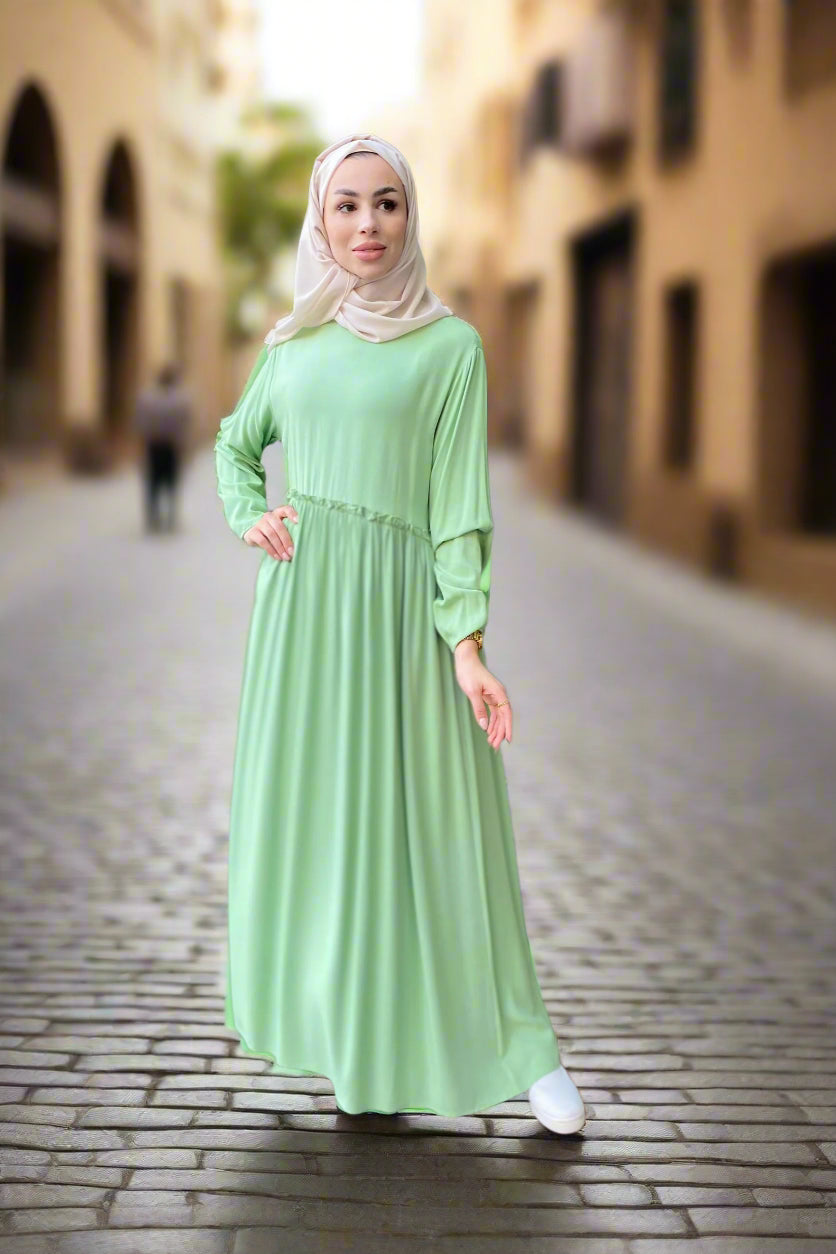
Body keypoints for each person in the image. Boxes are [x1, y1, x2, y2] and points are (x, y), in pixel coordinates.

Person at [213, 132, 586, 1133]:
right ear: (318, 217)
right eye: (345, 205)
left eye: (385, 203)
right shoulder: (291, 343)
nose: (366, 225)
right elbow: (234, 443)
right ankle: (351, 1037)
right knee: (327, 830)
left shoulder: (450, 347)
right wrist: (247, 509)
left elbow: (459, 505)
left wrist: (465, 644)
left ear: (408, 214)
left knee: (441, 830)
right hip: (302, 621)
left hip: (405, 617)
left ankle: (521, 1048)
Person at [133, 362, 192, 533]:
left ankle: (154, 518)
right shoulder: (179, 399)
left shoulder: (147, 397)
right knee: (170, 482)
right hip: (170, 446)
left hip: (154, 445)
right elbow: (184, 423)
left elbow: (140, 422)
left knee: (154, 482)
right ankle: (169, 517)